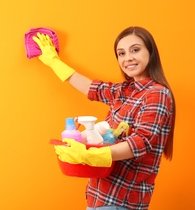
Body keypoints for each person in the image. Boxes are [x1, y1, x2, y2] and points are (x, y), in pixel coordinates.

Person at [32, 26, 176, 210]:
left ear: (151, 52)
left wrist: (92, 155)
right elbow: (91, 88)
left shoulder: (157, 93)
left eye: (135, 50)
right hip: (100, 197)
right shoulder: (124, 91)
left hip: (122, 201)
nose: (128, 58)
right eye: (121, 53)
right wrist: (53, 61)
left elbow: (142, 141)